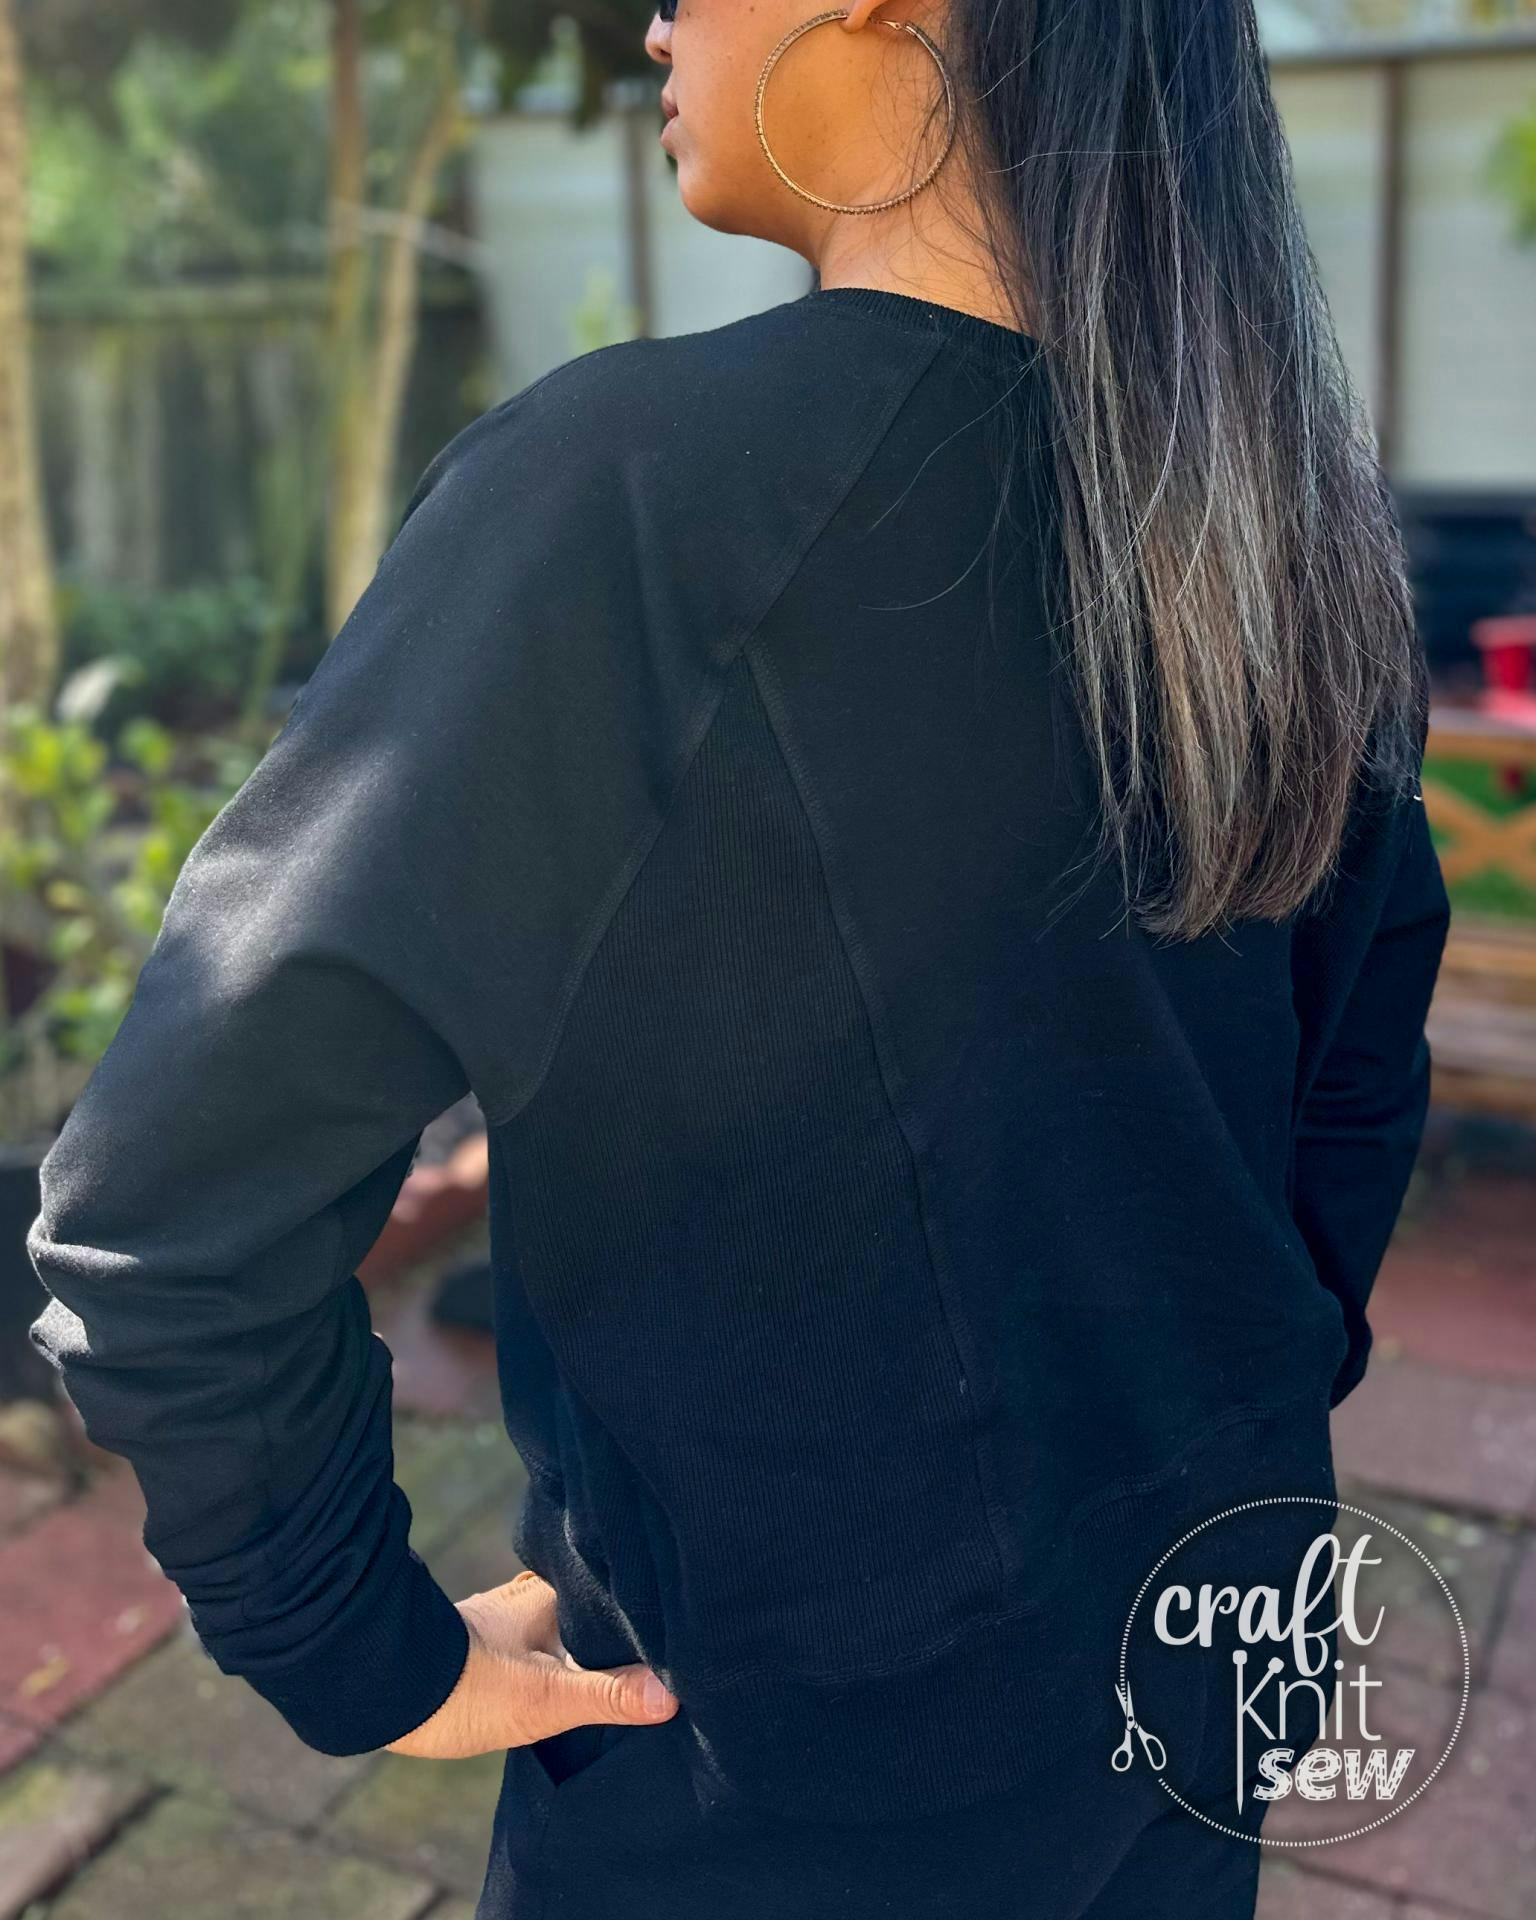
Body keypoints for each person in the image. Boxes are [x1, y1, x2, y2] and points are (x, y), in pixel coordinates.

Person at [27, 3, 1451, 1915]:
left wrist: (361, 1647)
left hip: (796, 1761)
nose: (653, 22)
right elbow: (1349, 1091)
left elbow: (168, 1218)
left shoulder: (636, 494)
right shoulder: (1281, 523)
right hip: (1217, 1632)